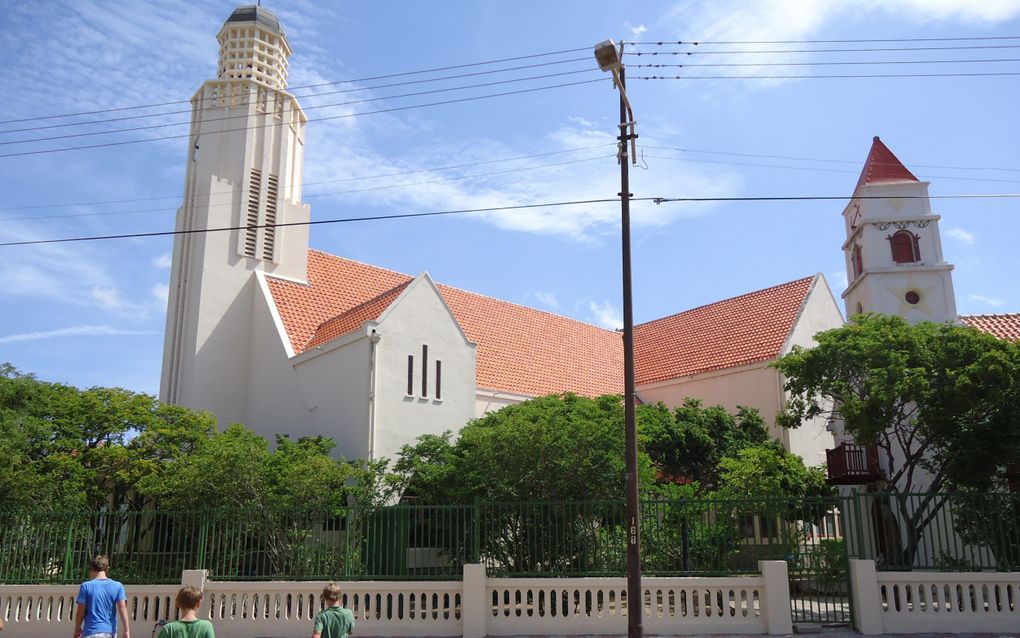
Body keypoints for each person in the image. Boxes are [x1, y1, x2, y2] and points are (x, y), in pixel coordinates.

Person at [73, 555, 130, 638]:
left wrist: (77, 629)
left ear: (92, 568)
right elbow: (122, 608)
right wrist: (126, 630)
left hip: (91, 631)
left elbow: (80, 612)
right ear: (107, 569)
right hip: (109, 632)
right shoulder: (118, 586)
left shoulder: (86, 586)